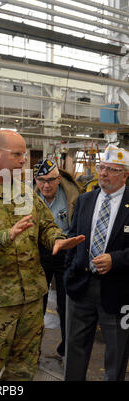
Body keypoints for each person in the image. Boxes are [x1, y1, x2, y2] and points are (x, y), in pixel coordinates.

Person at [0, 129, 84, 381]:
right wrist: (3, 237)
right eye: (18, 154)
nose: (24, 160)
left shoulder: (26, 193)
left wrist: (57, 239)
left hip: (31, 304)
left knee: (22, 372)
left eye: (24, 155)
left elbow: (46, 224)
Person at [64, 144, 129, 381]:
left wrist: (116, 259)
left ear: (125, 175)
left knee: (116, 355)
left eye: (111, 170)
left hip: (119, 292)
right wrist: (69, 273)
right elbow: (73, 238)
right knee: (75, 350)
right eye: (102, 167)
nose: (103, 173)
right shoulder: (85, 200)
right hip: (81, 287)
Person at [34, 159, 80, 360]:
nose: (46, 185)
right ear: (35, 180)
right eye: (41, 180)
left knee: (66, 304)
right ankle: (31, 350)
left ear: (59, 179)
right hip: (40, 253)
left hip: (66, 252)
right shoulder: (26, 198)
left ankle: (67, 350)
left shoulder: (73, 197)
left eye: (51, 180)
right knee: (37, 305)